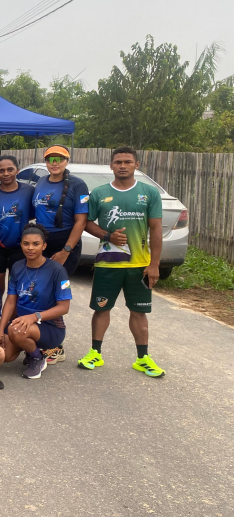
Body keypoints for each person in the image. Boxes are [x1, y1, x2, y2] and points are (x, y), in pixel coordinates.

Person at [79, 147, 165, 377]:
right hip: (108, 263)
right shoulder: (99, 193)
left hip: (139, 265)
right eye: (118, 162)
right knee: (101, 308)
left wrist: (154, 264)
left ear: (137, 165)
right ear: (111, 166)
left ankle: (143, 358)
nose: (123, 165)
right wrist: (108, 235)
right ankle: (95, 353)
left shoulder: (149, 193)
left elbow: (156, 229)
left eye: (128, 161)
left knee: (138, 312)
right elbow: (87, 223)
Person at [0, 223, 72, 380]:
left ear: (44, 246)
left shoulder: (57, 270)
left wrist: (34, 317)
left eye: (35, 244)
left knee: (15, 331)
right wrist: (0, 330)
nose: (30, 248)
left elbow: (64, 307)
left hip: (50, 327)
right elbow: (10, 302)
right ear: (21, 245)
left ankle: (37, 358)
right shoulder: (17, 267)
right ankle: (29, 347)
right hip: (21, 324)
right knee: (4, 355)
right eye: (26, 244)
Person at [0, 155, 35, 293]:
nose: (6, 174)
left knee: (17, 289)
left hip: (20, 248)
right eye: (1, 170)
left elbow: (34, 215)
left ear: (18, 170)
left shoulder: (29, 191)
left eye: (10, 169)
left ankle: (14, 316)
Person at [33, 144, 89, 276]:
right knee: (39, 284)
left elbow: (81, 221)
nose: (54, 163)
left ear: (67, 161)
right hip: (41, 241)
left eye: (59, 159)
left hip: (65, 241)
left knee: (59, 286)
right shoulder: (41, 181)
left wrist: (66, 251)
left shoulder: (79, 185)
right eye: (50, 159)